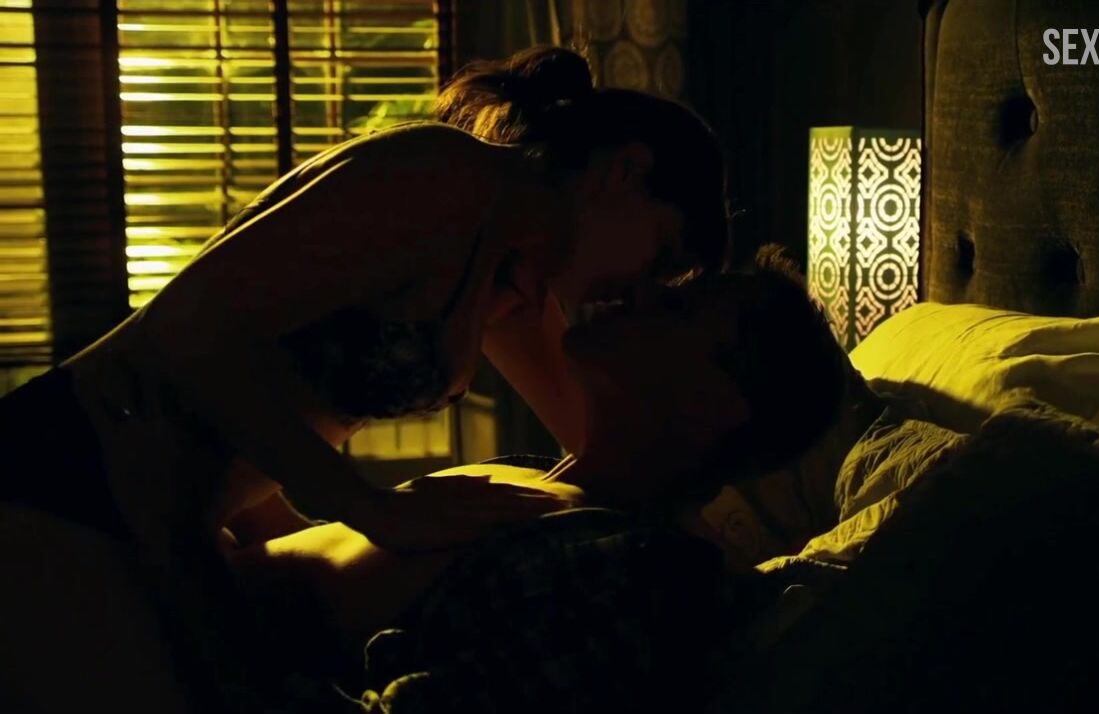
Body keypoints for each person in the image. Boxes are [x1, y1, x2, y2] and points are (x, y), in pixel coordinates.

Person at [0, 46, 731, 562]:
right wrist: (368, 509)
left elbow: (607, 456)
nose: (639, 292)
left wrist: (741, 567)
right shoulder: (444, 178)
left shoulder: (514, 280)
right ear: (625, 172)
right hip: (66, 475)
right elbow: (190, 334)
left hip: (168, 518)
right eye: (661, 257)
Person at [220, 247, 855, 710]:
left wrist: (193, 605)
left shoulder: (640, 574)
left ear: (713, 401)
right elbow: (335, 572)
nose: (638, 292)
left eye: (676, 307)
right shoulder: (530, 477)